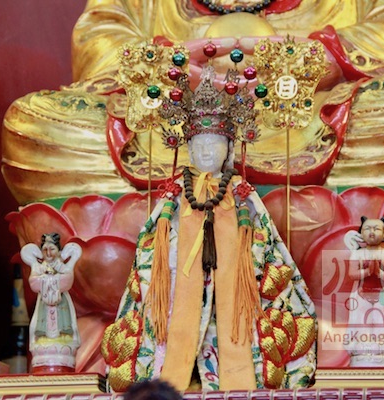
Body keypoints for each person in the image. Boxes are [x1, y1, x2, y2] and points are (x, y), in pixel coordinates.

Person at [1, 0, 384, 205]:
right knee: (34, 128)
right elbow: (99, 38)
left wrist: (323, 58)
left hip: (309, 110)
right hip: (172, 120)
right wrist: (166, 64)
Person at [100, 66, 317, 391]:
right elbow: (152, 249)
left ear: (229, 148)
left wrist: (243, 261)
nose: (205, 151)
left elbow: (264, 244)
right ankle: (176, 373)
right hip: (179, 291)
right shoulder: (174, 196)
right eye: (198, 144)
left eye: (214, 144)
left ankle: (236, 373)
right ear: (187, 148)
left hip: (234, 297)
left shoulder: (241, 194)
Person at [343, 217, 384, 366]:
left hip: (383, 294)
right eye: (367, 228)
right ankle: (363, 343)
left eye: (376, 229)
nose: (372, 232)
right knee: (363, 318)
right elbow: (352, 274)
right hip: (362, 294)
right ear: (361, 233)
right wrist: (367, 272)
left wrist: (379, 273)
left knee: (381, 317)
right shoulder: (357, 254)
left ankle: (382, 343)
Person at [21, 233, 82, 373]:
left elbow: (67, 281)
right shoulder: (39, 267)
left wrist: (49, 279)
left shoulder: (62, 267)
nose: (48, 253)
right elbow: (33, 283)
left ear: (59, 251)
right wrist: (49, 279)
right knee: (41, 336)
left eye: (52, 249)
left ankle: (64, 346)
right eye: (45, 250)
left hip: (61, 305)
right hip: (43, 306)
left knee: (64, 337)